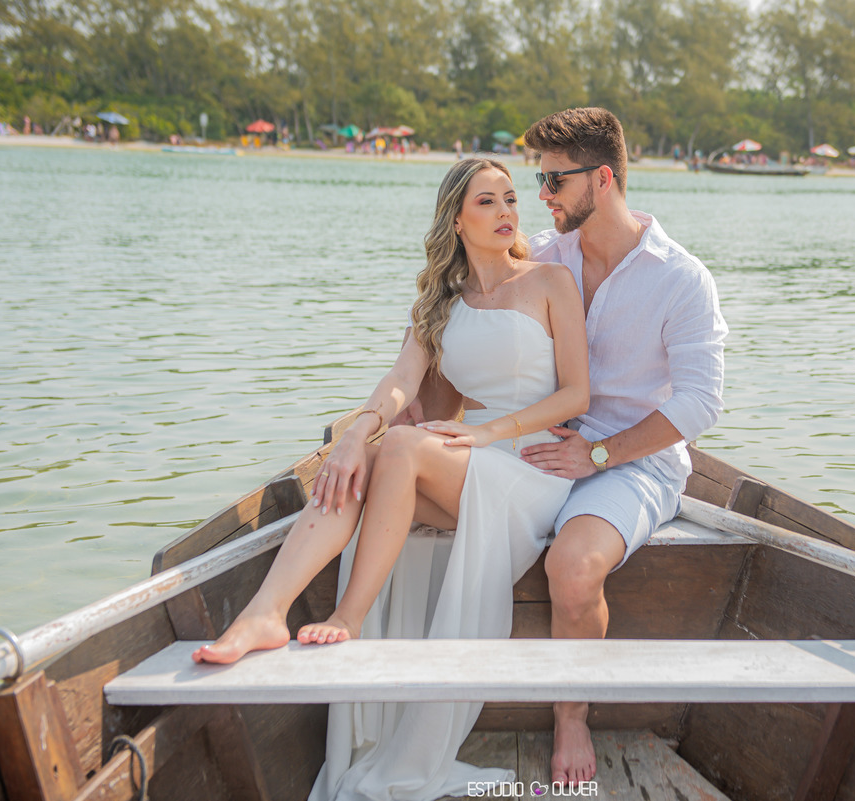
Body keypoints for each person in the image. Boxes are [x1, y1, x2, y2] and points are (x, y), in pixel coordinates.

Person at [194, 156, 589, 800]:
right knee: (363, 460)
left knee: (400, 448)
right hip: (464, 464)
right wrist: (355, 432)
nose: (507, 212)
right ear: (456, 221)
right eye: (487, 202)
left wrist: (487, 432)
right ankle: (265, 612)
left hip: (531, 465)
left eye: (511, 199)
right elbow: (402, 381)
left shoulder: (550, 282)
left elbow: (577, 393)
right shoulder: (441, 303)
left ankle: (349, 618)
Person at [518, 108, 727, 785]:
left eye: (554, 180)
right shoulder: (543, 257)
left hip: (634, 464)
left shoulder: (681, 278)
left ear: (601, 179)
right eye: (538, 179)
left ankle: (571, 713)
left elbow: (699, 404)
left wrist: (599, 456)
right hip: (541, 445)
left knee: (574, 566)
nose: (542, 195)